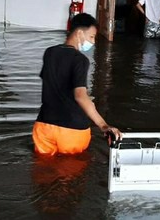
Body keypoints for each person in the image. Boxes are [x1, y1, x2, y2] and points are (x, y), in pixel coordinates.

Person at [32, 13, 121, 155]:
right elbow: (80, 96)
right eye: (91, 37)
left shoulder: (49, 53)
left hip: (44, 125)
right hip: (72, 129)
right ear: (79, 33)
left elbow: (53, 84)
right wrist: (104, 125)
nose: (93, 42)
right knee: (72, 172)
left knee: (42, 171)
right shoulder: (80, 60)